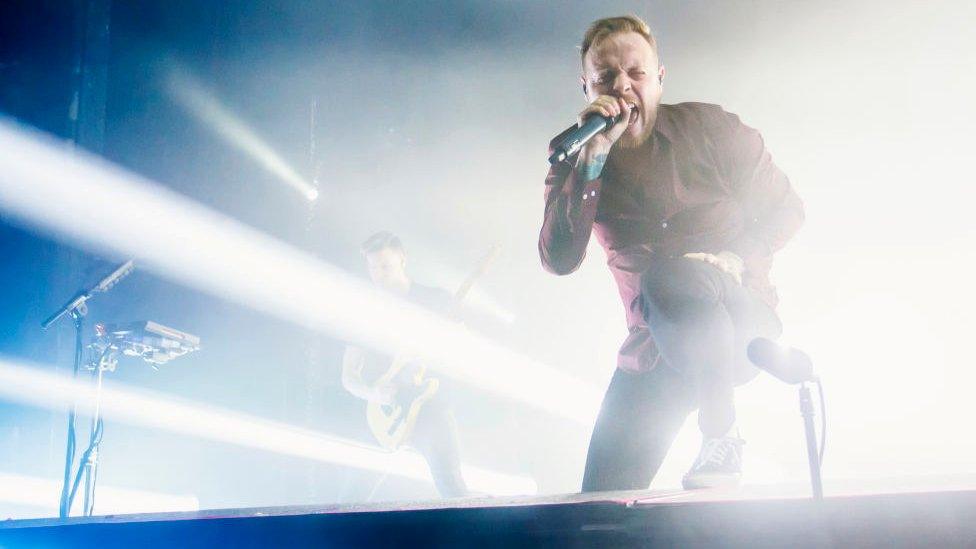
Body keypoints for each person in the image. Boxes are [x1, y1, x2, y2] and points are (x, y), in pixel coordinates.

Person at [538, 15, 804, 491]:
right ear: (586, 87)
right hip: (656, 345)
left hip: (738, 321)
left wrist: (731, 260)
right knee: (599, 504)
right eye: (606, 78)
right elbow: (559, 258)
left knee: (671, 277)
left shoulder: (713, 130)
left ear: (659, 78)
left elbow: (787, 212)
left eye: (636, 74)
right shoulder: (580, 162)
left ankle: (722, 435)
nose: (622, 87)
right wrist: (593, 159)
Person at [341, 231, 469, 498]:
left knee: (454, 491)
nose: (378, 274)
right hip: (382, 415)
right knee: (351, 499)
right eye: (372, 267)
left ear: (403, 259)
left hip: (430, 409)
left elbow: (463, 356)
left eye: (385, 266)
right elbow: (348, 376)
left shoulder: (437, 300)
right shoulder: (362, 310)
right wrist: (374, 393)